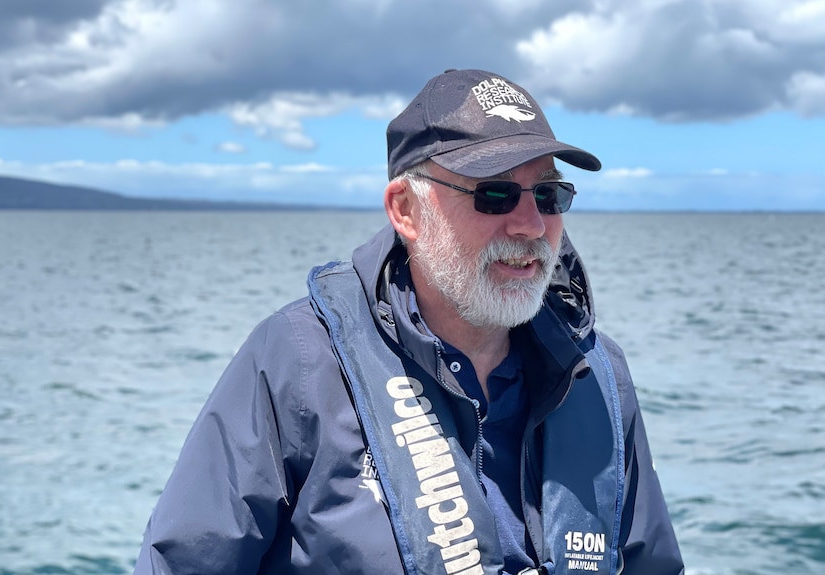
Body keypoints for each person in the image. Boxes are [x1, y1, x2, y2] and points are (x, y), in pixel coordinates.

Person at [133, 69, 684, 575]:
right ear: (405, 210)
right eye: (494, 194)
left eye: (549, 193)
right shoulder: (299, 363)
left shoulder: (596, 373)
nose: (530, 223)